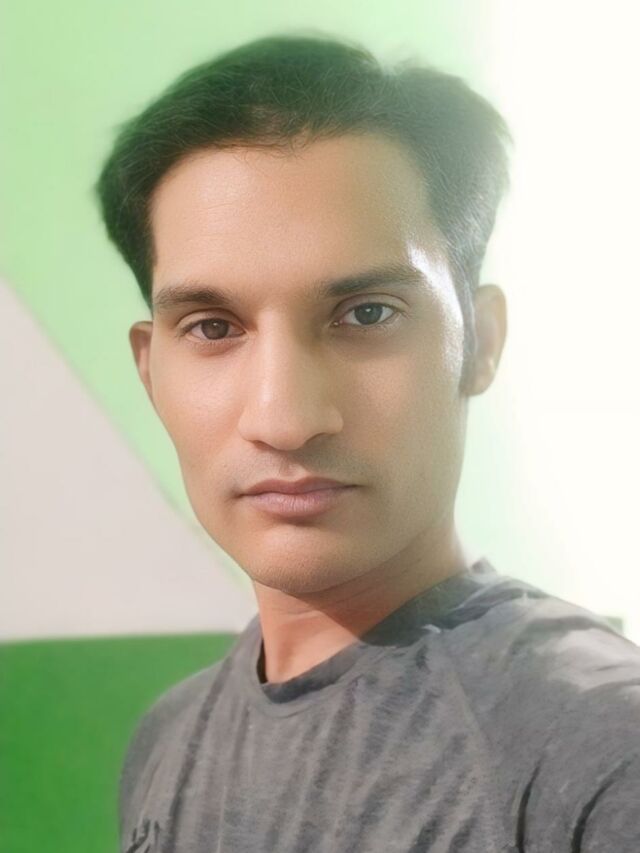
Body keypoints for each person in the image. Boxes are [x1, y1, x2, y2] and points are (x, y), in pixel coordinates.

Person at [94, 31, 640, 853]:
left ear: (481, 341)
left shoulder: (602, 753)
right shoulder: (166, 739)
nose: (284, 416)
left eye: (367, 314)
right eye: (212, 326)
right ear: (150, 370)